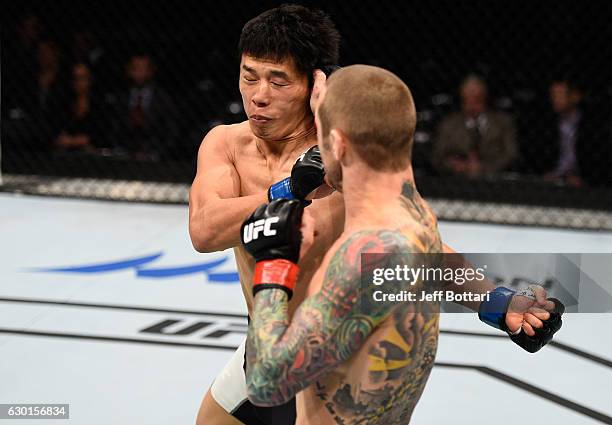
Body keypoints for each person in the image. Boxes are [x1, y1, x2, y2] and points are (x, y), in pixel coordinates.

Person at [240, 65, 564, 424]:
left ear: (340, 143)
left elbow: (265, 382)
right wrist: (497, 302)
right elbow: (434, 262)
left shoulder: (362, 257)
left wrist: (273, 264)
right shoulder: (414, 213)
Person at [189, 5, 342, 425]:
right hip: (264, 345)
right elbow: (203, 231)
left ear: (315, 85)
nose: (258, 94)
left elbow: (412, 240)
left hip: (334, 363)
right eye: (249, 75)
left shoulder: (344, 156)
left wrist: (494, 302)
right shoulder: (225, 143)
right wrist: (288, 190)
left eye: (278, 81)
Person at [432, 74, 518, 178]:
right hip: (456, 180)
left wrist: (485, 168)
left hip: (495, 179)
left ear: (485, 98)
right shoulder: (449, 125)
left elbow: (511, 154)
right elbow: (437, 156)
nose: (472, 105)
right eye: (467, 100)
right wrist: (455, 166)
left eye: (477, 100)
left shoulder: (502, 123)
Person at [110, 53, 178, 160]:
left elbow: (171, 131)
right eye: (135, 68)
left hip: (155, 154)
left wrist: (158, 153)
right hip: (125, 152)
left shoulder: (163, 100)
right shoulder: (120, 98)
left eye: (143, 68)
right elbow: (114, 127)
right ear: (128, 71)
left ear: (151, 71)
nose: (139, 73)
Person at [55, 63, 105, 152]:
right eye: (75, 78)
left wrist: (73, 141)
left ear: (90, 80)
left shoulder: (99, 104)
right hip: (68, 151)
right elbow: (60, 131)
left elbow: (100, 135)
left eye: (82, 78)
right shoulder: (65, 103)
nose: (78, 82)